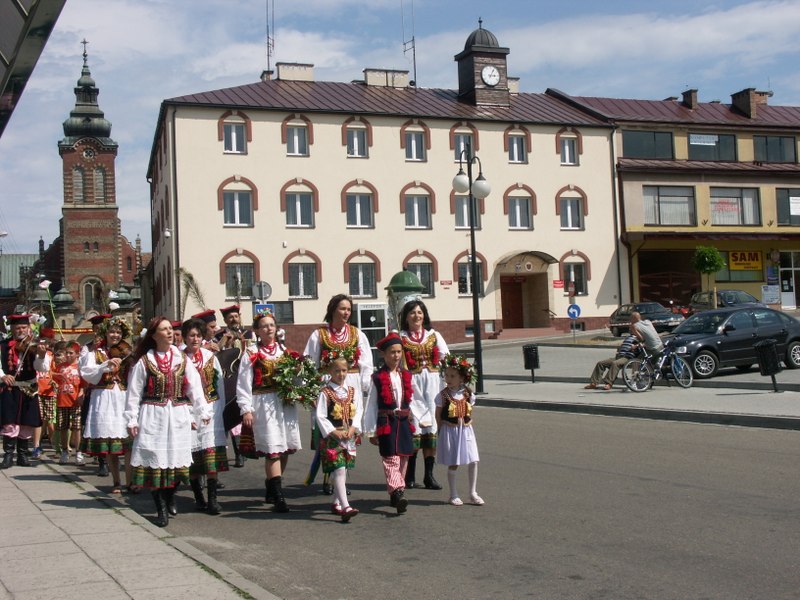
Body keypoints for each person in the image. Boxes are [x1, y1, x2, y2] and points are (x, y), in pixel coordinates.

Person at [124, 316, 210, 527]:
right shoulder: (145, 361)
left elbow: (195, 388)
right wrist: (132, 419)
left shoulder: (182, 359)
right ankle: (161, 508)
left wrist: (201, 411)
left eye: (170, 328)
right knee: (155, 460)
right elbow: (133, 393)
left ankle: (170, 495)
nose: (170, 332)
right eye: (164, 329)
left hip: (178, 414)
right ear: (154, 335)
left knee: (177, 460)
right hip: (153, 415)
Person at [303, 294, 373, 494]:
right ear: (333, 310)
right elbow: (309, 364)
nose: (346, 312)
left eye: (349, 309)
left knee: (347, 431)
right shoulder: (319, 335)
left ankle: (340, 480)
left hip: (350, 385)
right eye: (342, 308)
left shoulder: (357, 334)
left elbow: (366, 362)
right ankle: (330, 477)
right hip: (327, 387)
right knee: (329, 432)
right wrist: (311, 392)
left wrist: (365, 385)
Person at [236, 309, 300, 513]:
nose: (268, 329)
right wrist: (246, 409)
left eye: (271, 325)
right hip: (263, 404)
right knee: (273, 451)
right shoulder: (251, 353)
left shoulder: (284, 351)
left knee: (284, 449)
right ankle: (279, 497)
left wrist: (299, 382)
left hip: (284, 403)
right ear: (257, 331)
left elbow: (296, 379)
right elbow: (243, 383)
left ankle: (271, 485)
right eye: (264, 326)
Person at [79, 316, 135, 492]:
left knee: (128, 443)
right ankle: (116, 481)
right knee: (111, 444)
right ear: (105, 333)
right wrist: (104, 365)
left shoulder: (127, 351)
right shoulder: (94, 352)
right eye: (112, 332)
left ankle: (130, 481)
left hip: (123, 397)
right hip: (104, 398)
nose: (115, 335)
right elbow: (87, 374)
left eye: (118, 332)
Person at [363, 332, 415, 514]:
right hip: (387, 422)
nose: (396, 356)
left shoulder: (406, 375)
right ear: (384, 355)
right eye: (392, 352)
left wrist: (418, 420)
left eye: (399, 352)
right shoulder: (378, 378)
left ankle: (395, 494)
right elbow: (371, 405)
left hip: (404, 421)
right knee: (391, 458)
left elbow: (413, 400)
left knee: (403, 458)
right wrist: (370, 430)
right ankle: (398, 492)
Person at [399, 300, 448, 490]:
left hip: (433, 385)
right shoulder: (401, 337)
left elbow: (445, 358)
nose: (416, 316)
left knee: (431, 428)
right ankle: (409, 474)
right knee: (415, 428)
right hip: (412, 385)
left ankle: (429, 475)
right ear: (406, 317)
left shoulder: (434, 335)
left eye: (419, 312)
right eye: (412, 313)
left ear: (424, 315)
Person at [182, 318, 229, 515]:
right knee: (193, 456)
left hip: (211, 409)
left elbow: (219, 385)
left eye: (199, 335)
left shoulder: (210, 357)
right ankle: (198, 497)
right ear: (185, 337)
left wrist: (220, 409)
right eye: (191, 335)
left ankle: (212, 499)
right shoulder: (179, 358)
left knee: (211, 455)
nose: (195, 339)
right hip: (189, 410)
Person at [315, 355, 363, 522]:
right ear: (330, 371)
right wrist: (334, 432)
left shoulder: (352, 391)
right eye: (337, 371)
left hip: (348, 437)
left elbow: (358, 410)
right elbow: (320, 416)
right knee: (339, 469)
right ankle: (346, 506)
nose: (341, 374)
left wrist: (353, 428)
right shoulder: (325, 392)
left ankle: (336, 503)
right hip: (333, 439)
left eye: (344, 370)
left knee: (343, 469)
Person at [435, 354, 483, 507]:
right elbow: (438, 414)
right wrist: (440, 430)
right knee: (454, 462)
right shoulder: (443, 395)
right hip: (451, 431)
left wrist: (465, 422)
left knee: (473, 460)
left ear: (462, 378)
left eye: (452, 376)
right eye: (446, 375)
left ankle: (473, 492)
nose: (448, 379)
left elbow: (469, 411)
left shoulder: (468, 393)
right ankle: (453, 494)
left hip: (466, 431)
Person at [0, 314, 42, 468]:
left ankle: (22, 455)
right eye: (17, 328)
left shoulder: (34, 345)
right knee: (10, 422)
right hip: (10, 388)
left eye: (24, 327)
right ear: (12, 329)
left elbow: (41, 367)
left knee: (26, 422)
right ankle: (8, 455)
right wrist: (3, 376)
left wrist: (42, 356)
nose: (21, 330)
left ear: (29, 328)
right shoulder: (3, 345)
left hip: (28, 389)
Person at [52, 341, 85, 465]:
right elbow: (53, 375)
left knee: (77, 427)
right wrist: (56, 378)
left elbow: (84, 384)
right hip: (62, 400)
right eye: (66, 353)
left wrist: (81, 393)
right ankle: (64, 451)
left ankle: (79, 452)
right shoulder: (61, 366)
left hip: (75, 401)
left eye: (71, 353)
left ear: (77, 354)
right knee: (62, 427)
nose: (68, 355)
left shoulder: (80, 367)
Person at [32, 336, 56, 458]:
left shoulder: (51, 355)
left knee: (50, 420)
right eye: (39, 343)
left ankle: (54, 444)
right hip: (37, 391)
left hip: (49, 391)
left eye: (44, 344)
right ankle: (36, 445)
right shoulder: (32, 355)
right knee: (39, 420)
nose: (42, 346)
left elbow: (55, 370)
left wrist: (55, 379)